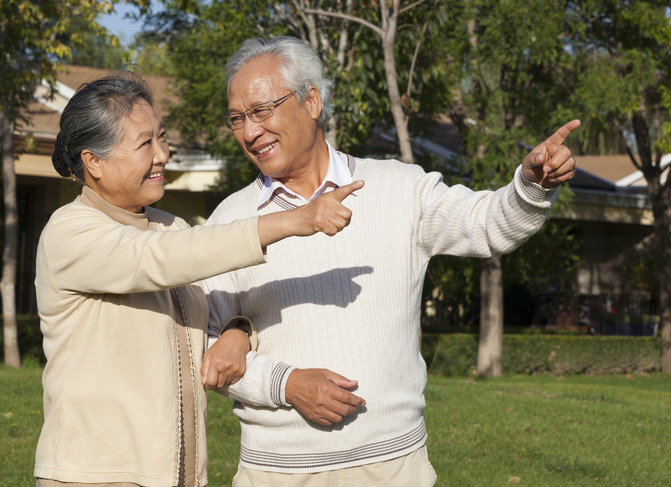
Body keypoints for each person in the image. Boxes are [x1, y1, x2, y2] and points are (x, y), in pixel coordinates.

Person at [202, 37, 579, 486]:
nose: (249, 132)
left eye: (262, 110)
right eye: (237, 119)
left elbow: (489, 225)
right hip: (277, 473)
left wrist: (530, 186)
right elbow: (207, 354)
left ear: (312, 101)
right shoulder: (230, 221)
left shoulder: (400, 188)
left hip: (393, 468)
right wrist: (286, 384)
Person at [33, 73, 363, 487]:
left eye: (162, 137)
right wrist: (294, 219)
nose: (162, 155)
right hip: (96, 473)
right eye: (143, 144)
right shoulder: (70, 233)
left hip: (176, 473)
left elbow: (205, 316)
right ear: (93, 162)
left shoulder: (170, 227)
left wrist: (239, 332)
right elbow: (157, 261)